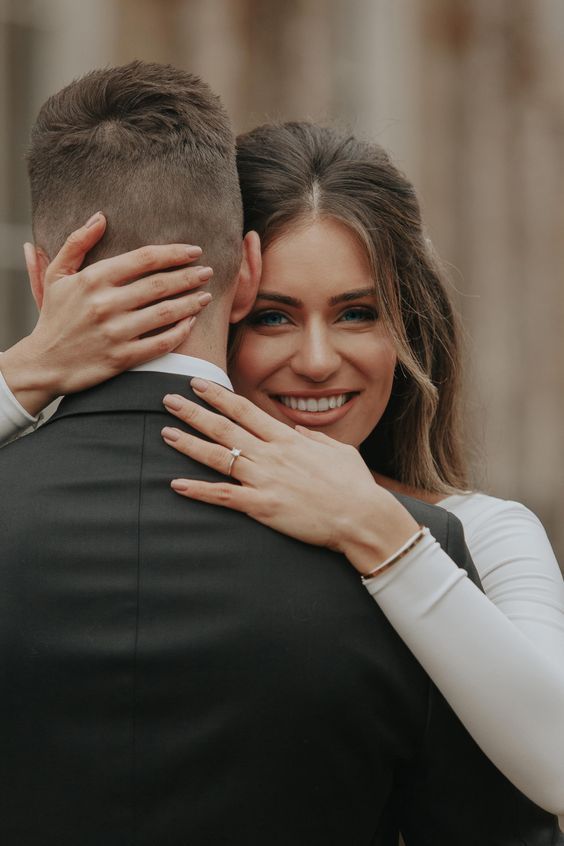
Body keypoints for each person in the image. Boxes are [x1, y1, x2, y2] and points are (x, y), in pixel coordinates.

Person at [0, 62, 561, 845]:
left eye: (358, 313)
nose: (320, 360)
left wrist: (383, 536)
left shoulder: (473, 535)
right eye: (272, 318)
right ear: (233, 288)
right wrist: (23, 372)